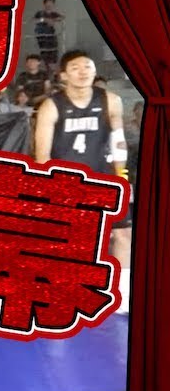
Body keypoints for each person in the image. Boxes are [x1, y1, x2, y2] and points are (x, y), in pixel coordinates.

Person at [33, 49, 132, 314]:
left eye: (87, 66)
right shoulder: (52, 105)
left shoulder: (110, 100)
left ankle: (122, 294)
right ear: (64, 75)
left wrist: (122, 177)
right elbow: (42, 153)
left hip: (104, 176)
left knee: (123, 233)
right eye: (75, 68)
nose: (83, 72)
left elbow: (119, 140)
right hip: (68, 180)